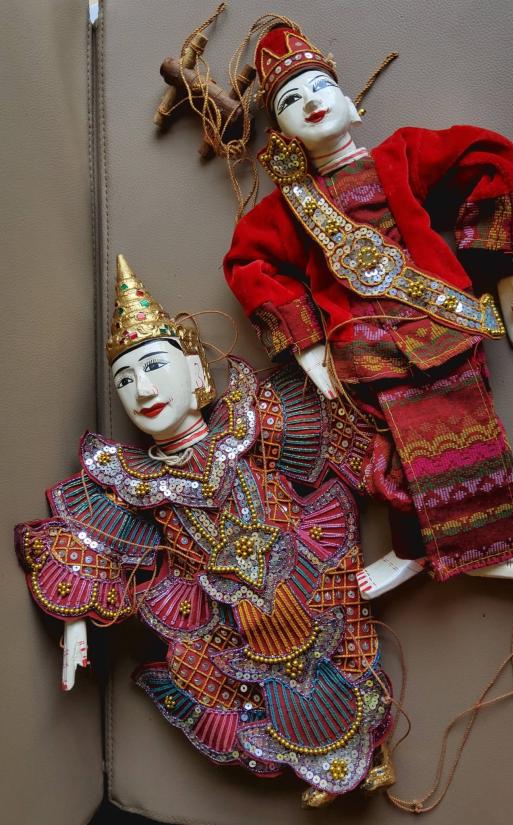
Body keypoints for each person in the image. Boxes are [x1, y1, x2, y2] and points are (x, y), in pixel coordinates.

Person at [15, 254, 396, 808]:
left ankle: (370, 754)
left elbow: (336, 436)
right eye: (125, 380)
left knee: (337, 648)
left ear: (196, 374)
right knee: (241, 685)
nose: (143, 390)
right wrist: (74, 624)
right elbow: (89, 541)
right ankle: (313, 768)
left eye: (154, 367)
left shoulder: (251, 420)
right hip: (218, 612)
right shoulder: (131, 479)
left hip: (301, 569)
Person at [223, 21, 513, 594]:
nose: (310, 102)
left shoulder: (401, 156)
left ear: (349, 102)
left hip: (436, 324)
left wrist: (508, 267)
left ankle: (484, 548)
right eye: (290, 100)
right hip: (363, 346)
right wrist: (306, 343)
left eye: (320, 87)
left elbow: (488, 156)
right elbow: (250, 262)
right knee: (392, 449)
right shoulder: (291, 208)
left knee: (469, 428)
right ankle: (412, 550)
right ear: (283, 134)